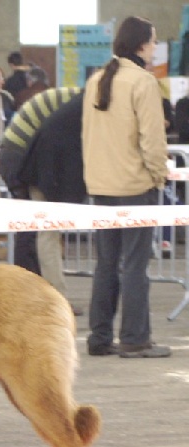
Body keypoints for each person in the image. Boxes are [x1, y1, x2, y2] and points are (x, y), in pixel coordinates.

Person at [82, 16, 171, 359]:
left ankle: (99, 338)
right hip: (135, 185)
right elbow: (152, 139)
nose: (155, 46)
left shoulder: (97, 79)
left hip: (101, 185)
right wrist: (159, 174)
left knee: (106, 264)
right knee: (135, 265)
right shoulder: (142, 82)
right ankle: (135, 338)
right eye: (154, 40)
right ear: (141, 45)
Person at [0, 87, 81, 275]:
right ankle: (31, 285)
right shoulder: (79, 106)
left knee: (30, 228)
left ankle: (29, 285)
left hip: (17, 153)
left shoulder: (71, 98)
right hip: (21, 157)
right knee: (33, 229)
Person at [17, 92, 87, 310]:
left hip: (41, 165)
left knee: (44, 236)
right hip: (42, 169)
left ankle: (51, 297)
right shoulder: (87, 105)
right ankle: (56, 300)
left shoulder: (77, 102)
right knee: (46, 235)